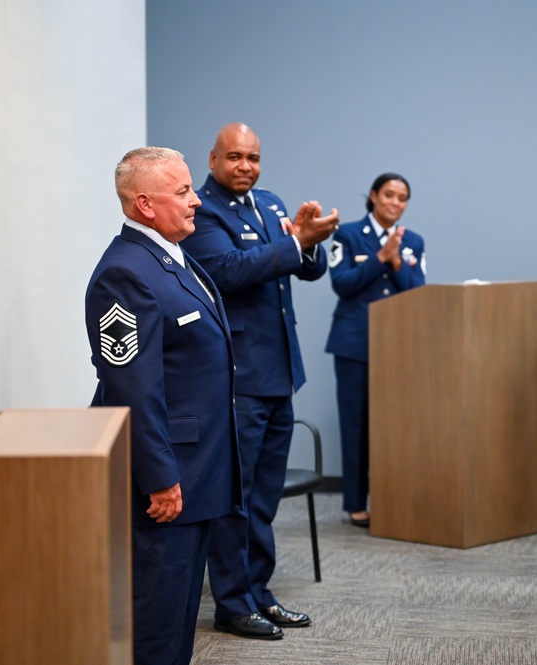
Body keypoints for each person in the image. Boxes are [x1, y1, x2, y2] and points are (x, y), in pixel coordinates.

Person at [84, 147, 241, 665]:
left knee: (177, 615)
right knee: (155, 618)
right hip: (165, 482)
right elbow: (132, 388)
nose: (197, 201)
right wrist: (159, 477)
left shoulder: (170, 254)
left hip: (196, 471)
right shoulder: (124, 274)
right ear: (145, 204)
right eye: (183, 192)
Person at [181, 122, 337, 640]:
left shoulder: (269, 203)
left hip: (279, 372)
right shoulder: (201, 212)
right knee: (236, 498)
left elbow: (306, 270)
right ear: (213, 159)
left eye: (253, 157)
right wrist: (295, 244)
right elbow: (228, 270)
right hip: (237, 377)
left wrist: (307, 243)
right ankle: (232, 602)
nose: (245, 166)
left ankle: (259, 593)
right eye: (234, 157)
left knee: (264, 496)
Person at [325, 173, 426, 527]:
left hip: (398, 346)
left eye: (402, 197)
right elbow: (342, 283)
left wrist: (397, 261)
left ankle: (394, 497)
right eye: (389, 195)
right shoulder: (348, 234)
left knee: (396, 427)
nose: (395, 202)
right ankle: (356, 503)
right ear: (374, 196)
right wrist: (380, 257)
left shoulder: (414, 241)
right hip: (354, 344)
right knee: (355, 426)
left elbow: (417, 292)